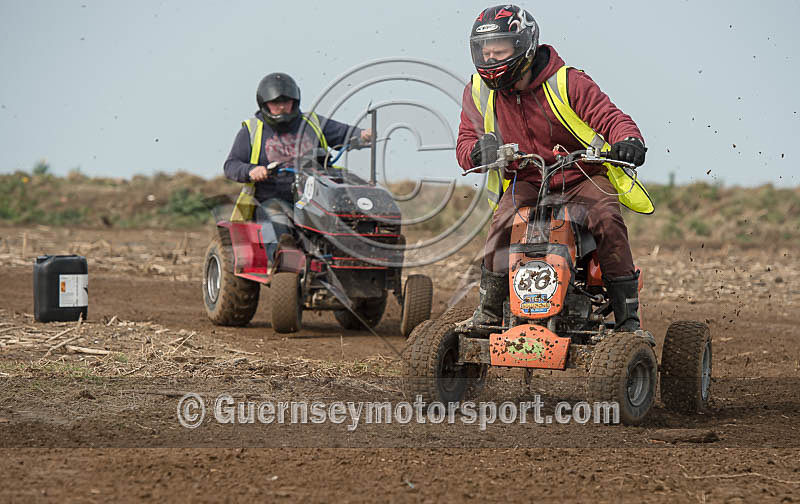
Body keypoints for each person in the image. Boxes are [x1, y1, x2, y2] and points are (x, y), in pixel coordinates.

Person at [457, 4, 653, 334]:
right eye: (484, 51)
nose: (490, 59)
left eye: (499, 49)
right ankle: (488, 312)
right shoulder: (477, 91)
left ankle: (627, 321)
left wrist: (628, 139)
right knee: (503, 220)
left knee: (607, 218)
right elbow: (465, 144)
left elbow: (612, 118)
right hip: (528, 177)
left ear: (524, 46)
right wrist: (478, 151)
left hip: (582, 174)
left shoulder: (568, 82)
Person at [223, 72, 372, 260]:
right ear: (264, 104)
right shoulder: (251, 130)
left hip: (315, 199)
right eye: (276, 103)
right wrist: (251, 171)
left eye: (287, 102)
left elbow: (346, 133)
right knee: (278, 223)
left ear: (296, 101)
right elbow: (231, 165)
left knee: (349, 219)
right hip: (274, 199)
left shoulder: (313, 122)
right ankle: (282, 266)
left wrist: (364, 134)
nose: (283, 107)